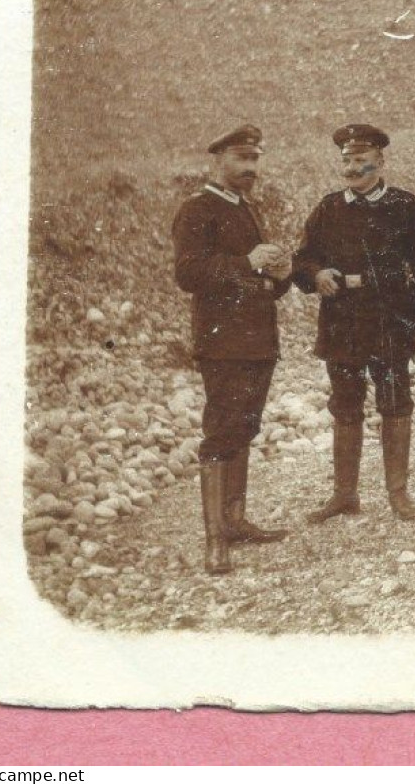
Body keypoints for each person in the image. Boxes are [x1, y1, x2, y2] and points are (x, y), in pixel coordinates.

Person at [294, 124, 415, 523]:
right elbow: (302, 259)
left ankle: (399, 495)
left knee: (395, 402)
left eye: (361, 159)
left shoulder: (404, 206)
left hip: (390, 321)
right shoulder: (329, 208)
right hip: (342, 321)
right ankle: (345, 495)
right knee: (345, 405)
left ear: (380, 162)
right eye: (347, 160)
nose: (353, 167)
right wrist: (317, 275)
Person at [171, 124, 291, 575]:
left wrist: (279, 275)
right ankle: (215, 539)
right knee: (222, 429)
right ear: (217, 161)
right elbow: (188, 275)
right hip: (222, 342)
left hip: (258, 339)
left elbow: (259, 286)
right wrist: (249, 263)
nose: (250, 168)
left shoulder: (247, 209)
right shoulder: (197, 209)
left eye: (255, 159)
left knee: (246, 424)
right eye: (241, 158)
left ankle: (236, 520)